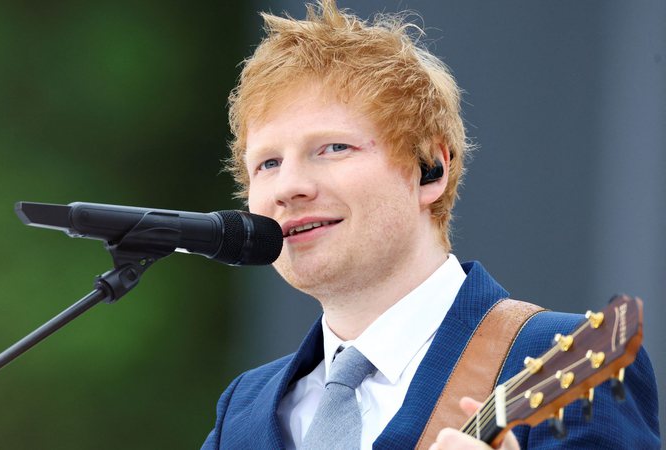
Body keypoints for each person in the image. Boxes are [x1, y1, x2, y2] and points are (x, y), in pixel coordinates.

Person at [202, 1, 661, 449]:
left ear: (430, 170)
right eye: (267, 163)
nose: (289, 186)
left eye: (333, 148)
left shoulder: (570, 362)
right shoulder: (245, 407)